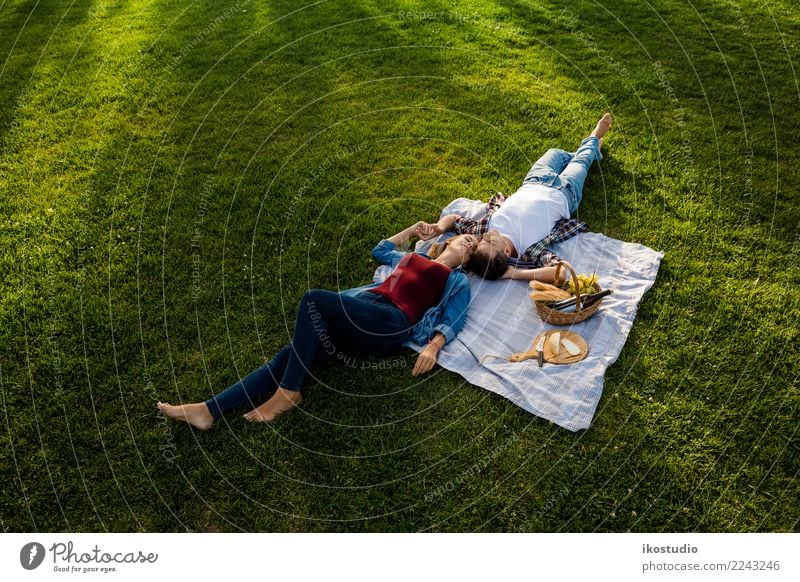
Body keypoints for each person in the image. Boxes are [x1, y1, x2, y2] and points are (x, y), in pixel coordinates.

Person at [157, 224, 479, 428]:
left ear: (466, 261)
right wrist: (411, 231)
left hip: (392, 323)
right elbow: (379, 250)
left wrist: (434, 346)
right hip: (364, 310)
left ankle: (289, 392)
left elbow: (455, 316)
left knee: (314, 300)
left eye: (473, 249)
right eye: (466, 239)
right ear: (448, 240)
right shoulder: (412, 257)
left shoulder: (456, 280)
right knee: (290, 355)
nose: (469, 245)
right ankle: (208, 410)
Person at [420, 113, 612, 283]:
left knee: (555, 153)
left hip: (535, 180)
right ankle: (594, 138)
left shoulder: (483, 230)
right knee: (581, 161)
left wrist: (438, 228)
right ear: (505, 252)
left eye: (482, 242)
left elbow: (454, 219)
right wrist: (513, 273)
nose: (485, 237)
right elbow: (560, 272)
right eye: (489, 242)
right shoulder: (529, 251)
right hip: (565, 192)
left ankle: (590, 150)